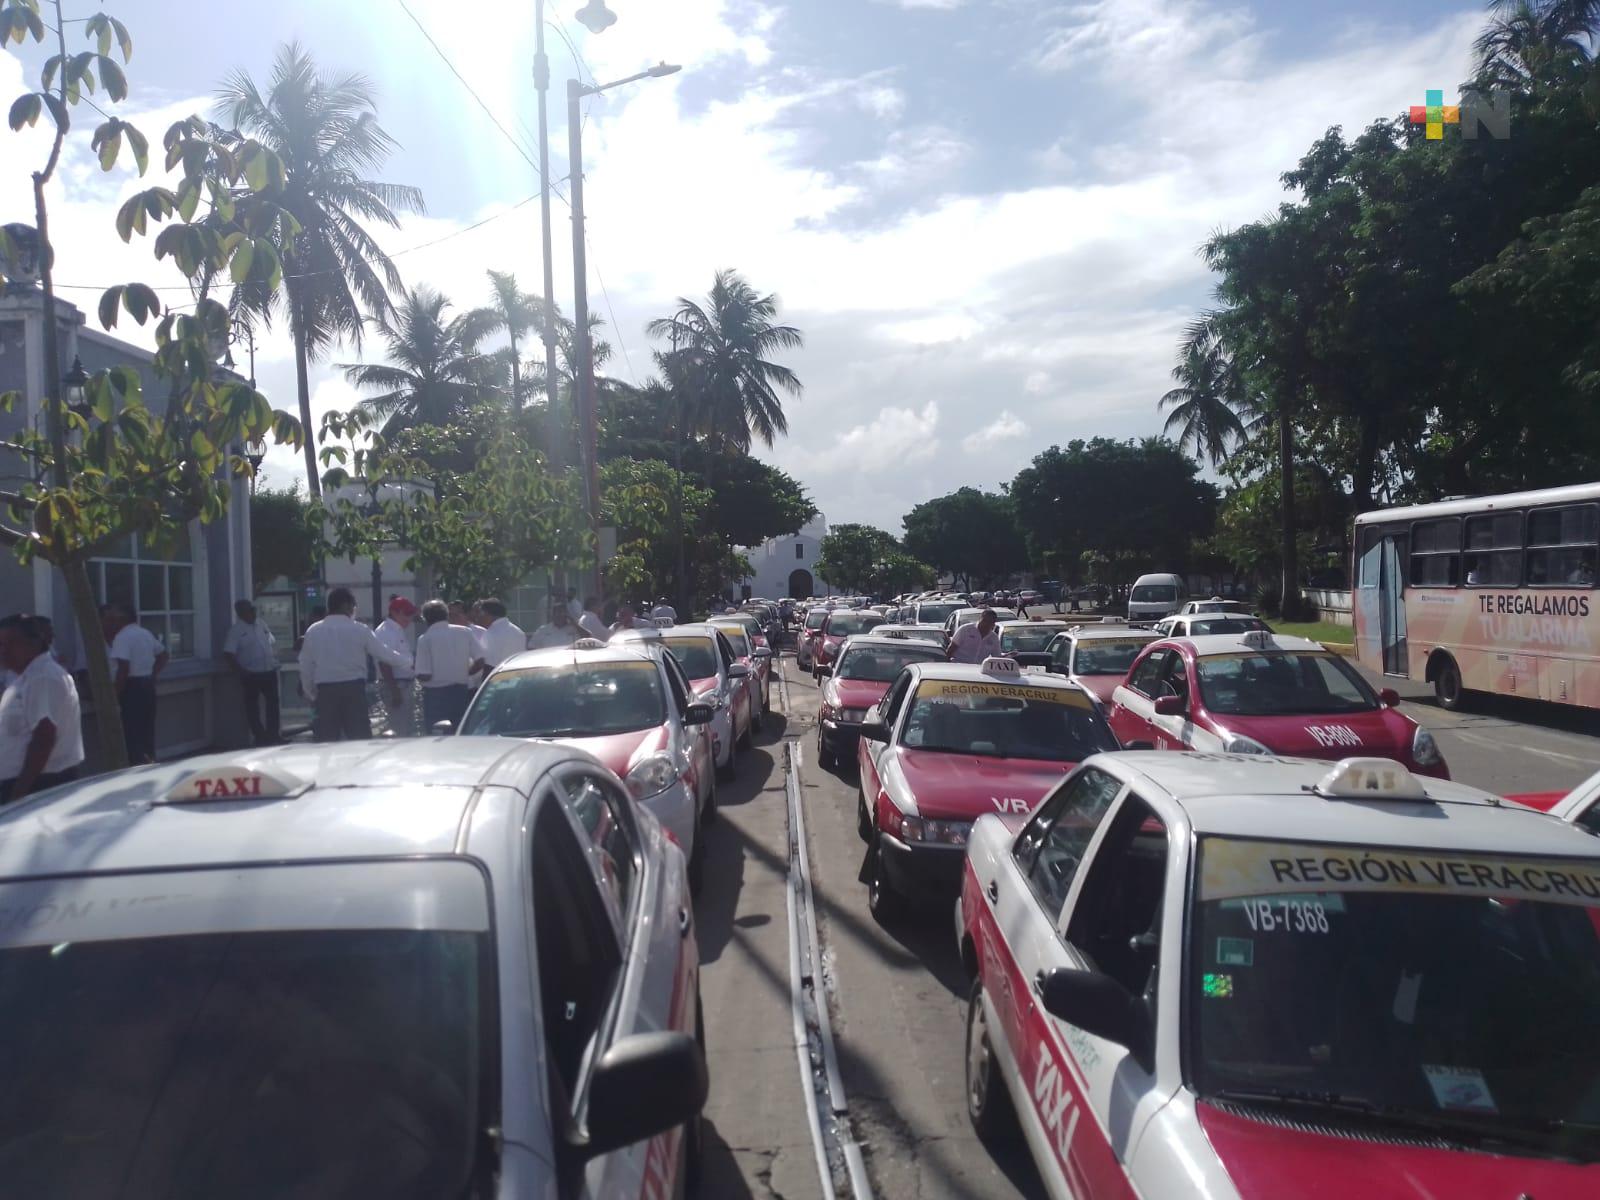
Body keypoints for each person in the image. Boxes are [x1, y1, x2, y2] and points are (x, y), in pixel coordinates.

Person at [298, 587, 412, 742]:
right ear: (347, 606)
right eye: (354, 606)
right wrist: (409, 662)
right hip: (354, 691)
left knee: (325, 742)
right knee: (359, 741)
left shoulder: (314, 631)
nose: (354, 610)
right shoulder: (359, 629)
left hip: (325, 691)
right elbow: (384, 654)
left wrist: (310, 692)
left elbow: (305, 665)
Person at [0, 614, 82, 802]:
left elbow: (43, 737)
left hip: (39, 785)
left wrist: (19, 795)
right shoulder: (24, 678)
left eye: (11, 644)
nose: (3, 651)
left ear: (34, 643)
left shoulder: (42, 677)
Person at [102, 602, 167, 764]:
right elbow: (163, 655)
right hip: (146, 685)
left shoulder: (122, 637)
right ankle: (149, 762)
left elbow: (123, 668)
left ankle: (137, 767)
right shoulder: (144, 633)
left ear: (122, 618)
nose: (110, 622)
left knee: (131, 733)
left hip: (131, 688)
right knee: (146, 731)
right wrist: (152, 675)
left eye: (112, 618)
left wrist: (115, 695)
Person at [414, 599, 484, 730]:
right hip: (461, 691)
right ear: (446, 614)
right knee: (460, 731)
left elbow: (425, 675)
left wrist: (414, 670)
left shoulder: (425, 639)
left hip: (435, 695)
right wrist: (466, 672)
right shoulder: (465, 632)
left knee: (436, 733)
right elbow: (480, 661)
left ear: (426, 618)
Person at [222, 599, 280, 746]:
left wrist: (275, 659)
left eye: (253, 610)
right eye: (249, 610)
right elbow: (229, 653)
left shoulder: (261, 624)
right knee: (252, 706)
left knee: (273, 703)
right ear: (241, 613)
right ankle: (260, 736)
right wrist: (241, 672)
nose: (253, 613)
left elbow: (270, 642)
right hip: (251, 673)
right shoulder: (236, 631)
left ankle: (274, 735)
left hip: (268, 670)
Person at [374, 596, 420, 736]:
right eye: (406, 614)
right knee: (399, 729)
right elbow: (384, 662)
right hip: (397, 685)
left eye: (410, 614)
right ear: (394, 613)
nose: (409, 618)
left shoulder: (396, 630)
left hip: (403, 684)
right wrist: (394, 690)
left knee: (406, 728)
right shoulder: (386, 632)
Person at [478, 598, 528, 668]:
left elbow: (488, 664)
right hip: (517, 674)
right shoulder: (518, 631)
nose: (479, 617)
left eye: (480, 614)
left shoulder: (491, 633)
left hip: (498, 675)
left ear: (487, 614)